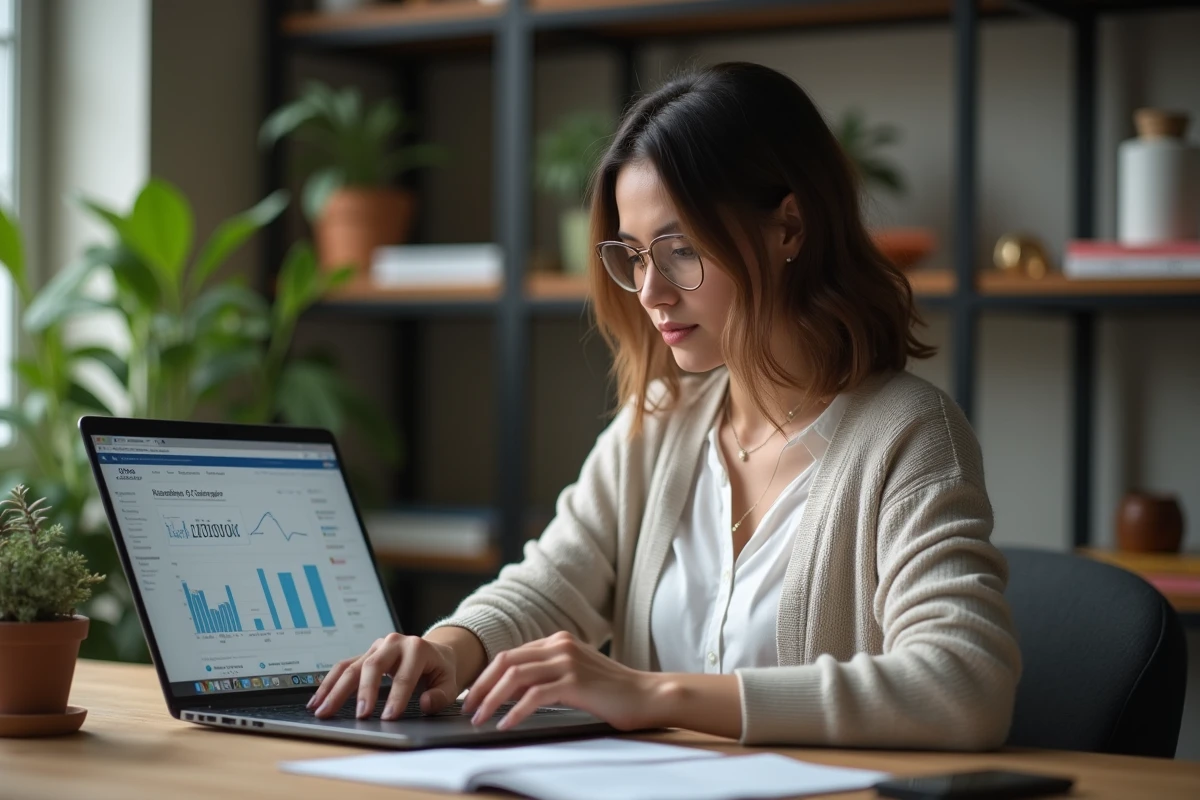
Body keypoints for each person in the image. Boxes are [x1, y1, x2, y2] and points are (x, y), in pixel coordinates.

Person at [307, 61, 1021, 750]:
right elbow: (552, 584)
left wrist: (654, 694)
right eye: (635, 255)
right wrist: (448, 648)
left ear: (790, 228)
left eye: (679, 250)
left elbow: (964, 685)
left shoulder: (909, 435)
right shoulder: (661, 420)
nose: (650, 292)